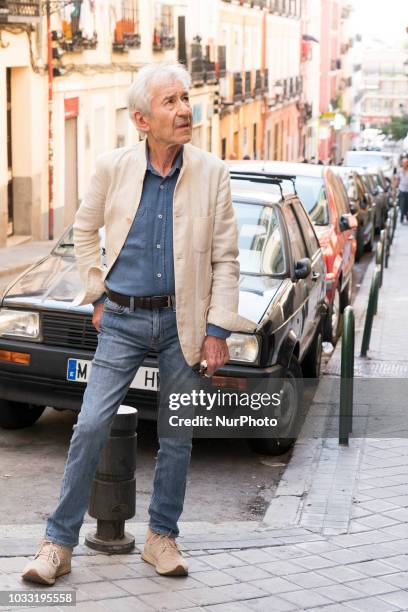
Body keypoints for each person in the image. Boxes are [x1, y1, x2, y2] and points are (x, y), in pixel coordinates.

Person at [22, 61, 256, 585]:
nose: (184, 109)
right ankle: (57, 544)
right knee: (89, 426)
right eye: (171, 101)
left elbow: (226, 259)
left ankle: (161, 537)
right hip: (123, 318)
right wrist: (97, 293)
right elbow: (83, 235)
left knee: (177, 434)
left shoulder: (212, 173)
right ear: (142, 119)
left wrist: (218, 330)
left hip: (183, 323)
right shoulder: (112, 168)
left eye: (184, 97)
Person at [396, 157, 408, 223]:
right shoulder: (399, 170)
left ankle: (406, 214)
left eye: (406, 163)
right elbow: (397, 179)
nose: (404, 164)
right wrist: (395, 188)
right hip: (402, 189)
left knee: (407, 204)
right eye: (403, 163)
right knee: (402, 203)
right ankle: (402, 217)